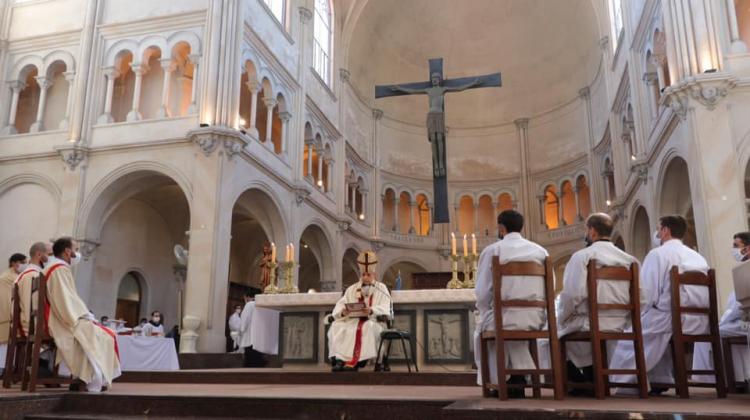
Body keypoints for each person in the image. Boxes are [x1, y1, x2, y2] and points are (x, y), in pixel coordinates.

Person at [610, 215, 709, 395]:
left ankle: (627, 382)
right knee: (652, 330)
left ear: (665, 231)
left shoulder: (658, 254)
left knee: (629, 333)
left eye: (658, 229)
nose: (657, 233)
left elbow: (647, 295)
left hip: (669, 318)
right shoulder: (698, 257)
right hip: (699, 320)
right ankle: (659, 379)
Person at [557, 213, 641, 395]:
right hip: (619, 324)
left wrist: (563, 318)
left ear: (592, 231)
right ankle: (594, 378)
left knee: (551, 337)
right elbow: (643, 297)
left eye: (586, 230)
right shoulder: (631, 261)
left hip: (589, 322)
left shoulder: (582, 257)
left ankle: (582, 381)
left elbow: (572, 295)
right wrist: (626, 319)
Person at [473, 210, 549, 398]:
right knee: (512, 331)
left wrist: (484, 313)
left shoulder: (493, 251)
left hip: (503, 317)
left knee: (485, 329)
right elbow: (550, 288)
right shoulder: (541, 252)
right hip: (535, 319)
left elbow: (483, 293)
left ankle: (501, 382)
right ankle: (518, 378)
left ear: (501, 227)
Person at [44, 237, 121, 392]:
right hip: (62, 319)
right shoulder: (59, 269)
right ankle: (88, 378)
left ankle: (85, 377)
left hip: (60, 315)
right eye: (76, 249)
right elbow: (65, 300)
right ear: (67, 251)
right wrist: (83, 315)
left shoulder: (54, 267)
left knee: (98, 332)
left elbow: (66, 298)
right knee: (102, 334)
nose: (77, 253)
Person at [692, 231, 750, 383]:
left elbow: (740, 305)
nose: (734, 250)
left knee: (707, 334)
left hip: (744, 322)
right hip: (742, 321)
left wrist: (723, 321)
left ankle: (710, 379)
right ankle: (739, 376)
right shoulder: (744, 268)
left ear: (747, 248)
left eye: (736, 246)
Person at [328, 250, 392, 372]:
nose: (365, 277)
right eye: (363, 275)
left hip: (374, 321)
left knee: (367, 326)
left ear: (374, 275)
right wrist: (343, 312)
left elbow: (385, 307)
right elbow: (341, 304)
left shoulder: (382, 288)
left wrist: (371, 310)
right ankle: (341, 360)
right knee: (337, 326)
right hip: (352, 320)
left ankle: (357, 361)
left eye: (368, 275)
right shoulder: (352, 289)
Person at [15, 242, 53, 336]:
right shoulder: (32, 275)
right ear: (39, 254)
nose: (52, 258)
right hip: (29, 327)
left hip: (30, 325)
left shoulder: (33, 273)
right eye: (50, 254)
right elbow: (30, 308)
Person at [0, 253, 27, 373]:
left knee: (10, 341)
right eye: (21, 262)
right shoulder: (9, 277)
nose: (23, 265)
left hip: (9, 312)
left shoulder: (15, 276)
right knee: (5, 341)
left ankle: (9, 368)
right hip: (6, 312)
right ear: (13, 263)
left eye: (25, 263)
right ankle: (3, 368)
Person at [238, 292, 265, 367]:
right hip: (260, 339)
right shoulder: (264, 304)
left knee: (250, 361)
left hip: (250, 339)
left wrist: (241, 330)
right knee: (258, 359)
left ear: (247, 297)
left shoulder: (250, 305)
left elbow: (244, 320)